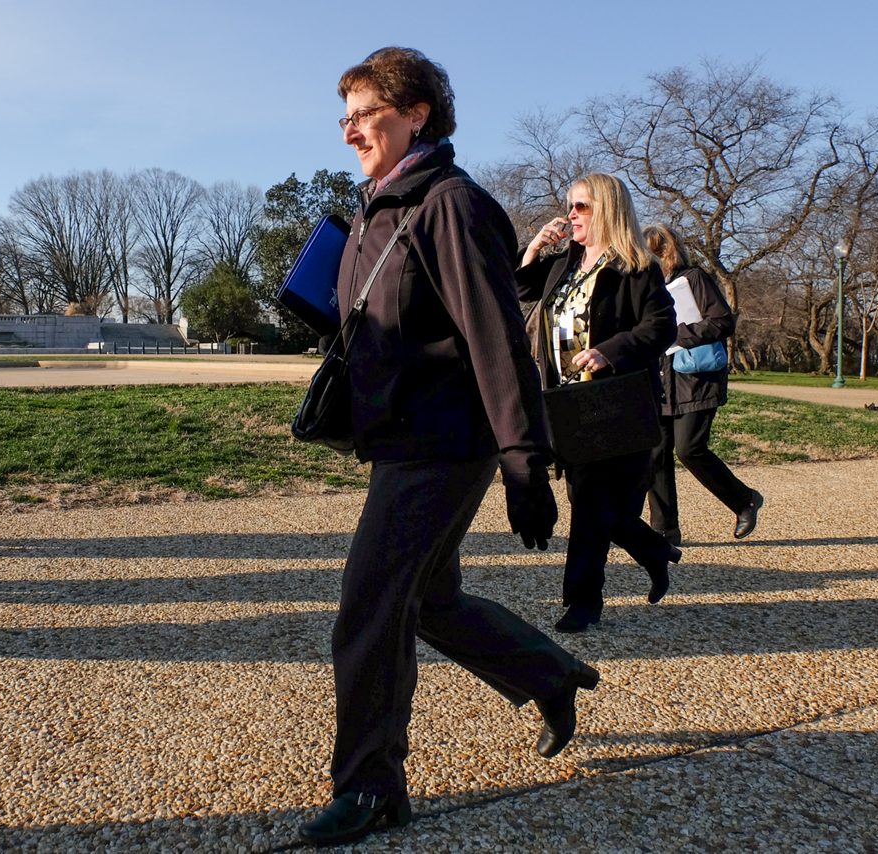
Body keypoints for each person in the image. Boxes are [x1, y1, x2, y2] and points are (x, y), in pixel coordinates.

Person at [298, 47, 600, 847]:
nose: (352, 131)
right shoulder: (377, 207)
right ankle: (548, 673)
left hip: (445, 443)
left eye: (367, 113)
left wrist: (524, 462)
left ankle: (370, 787)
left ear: (419, 112)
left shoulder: (451, 205)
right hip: (401, 438)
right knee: (426, 602)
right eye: (347, 117)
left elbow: (497, 338)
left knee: (369, 610)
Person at [516, 174, 678, 634]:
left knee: (589, 505)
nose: (571, 214)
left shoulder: (635, 266)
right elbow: (520, 290)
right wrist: (534, 249)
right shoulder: (564, 264)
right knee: (598, 505)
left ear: (607, 209)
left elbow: (662, 327)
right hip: (566, 401)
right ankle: (653, 549)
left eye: (581, 207)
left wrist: (610, 351)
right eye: (570, 206)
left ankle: (582, 602)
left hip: (613, 401)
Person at [642, 224, 763, 545]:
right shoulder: (647, 286)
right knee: (655, 454)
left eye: (655, 251)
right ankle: (664, 530)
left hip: (696, 378)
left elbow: (723, 321)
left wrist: (676, 335)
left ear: (666, 250)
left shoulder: (692, 278)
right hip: (660, 381)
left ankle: (744, 500)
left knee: (690, 449)